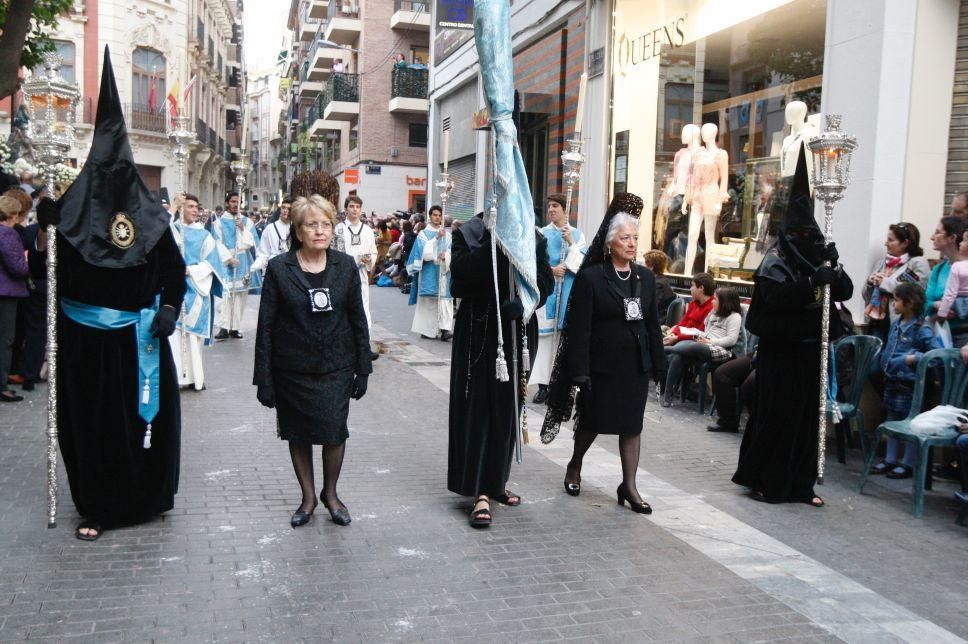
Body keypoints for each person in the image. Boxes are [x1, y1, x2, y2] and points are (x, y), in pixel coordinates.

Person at [32, 49, 186, 540]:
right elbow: (47, 277)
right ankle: (97, 507)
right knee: (93, 429)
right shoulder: (70, 217)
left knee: (146, 428)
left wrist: (167, 309)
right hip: (86, 348)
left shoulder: (154, 222)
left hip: (139, 340)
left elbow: (174, 274)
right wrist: (46, 234)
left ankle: (147, 498)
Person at [732, 149, 852, 507]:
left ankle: (801, 485)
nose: (805, 240)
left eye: (809, 234)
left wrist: (834, 265)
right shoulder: (774, 263)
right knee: (778, 417)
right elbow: (779, 301)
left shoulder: (818, 255)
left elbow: (842, 291)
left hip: (810, 352)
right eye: (798, 233)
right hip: (780, 355)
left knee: (805, 421)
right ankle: (766, 479)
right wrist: (812, 281)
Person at [540, 194, 665, 513]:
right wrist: (580, 371)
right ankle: (575, 465)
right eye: (625, 238)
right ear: (610, 243)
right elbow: (579, 328)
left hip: (634, 365)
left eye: (635, 238)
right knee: (592, 420)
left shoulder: (646, 278)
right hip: (601, 366)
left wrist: (658, 365)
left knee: (632, 425)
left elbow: (652, 325)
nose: (632, 243)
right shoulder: (592, 278)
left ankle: (629, 486)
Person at [254, 195, 372, 528]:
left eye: (324, 224)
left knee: (335, 433)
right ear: (298, 230)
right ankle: (307, 499)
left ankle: (330, 495)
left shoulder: (345, 266)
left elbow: (358, 319)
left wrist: (363, 368)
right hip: (291, 369)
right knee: (298, 434)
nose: (319, 231)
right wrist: (263, 378)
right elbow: (265, 325)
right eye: (311, 224)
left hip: (336, 366)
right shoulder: (280, 268)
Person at [448, 212, 554, 527]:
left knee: (508, 409)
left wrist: (525, 304)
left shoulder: (533, 237)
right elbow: (459, 282)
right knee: (478, 409)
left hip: (517, 331)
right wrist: (491, 243)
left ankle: (496, 481)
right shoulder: (467, 233)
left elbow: (544, 283)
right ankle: (478, 490)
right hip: (479, 332)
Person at [869, 282, 940, 479]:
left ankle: (907, 463)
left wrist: (912, 358)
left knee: (912, 423)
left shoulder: (921, 328)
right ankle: (890, 458)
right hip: (892, 380)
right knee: (892, 418)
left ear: (909, 303)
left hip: (910, 383)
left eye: (897, 300)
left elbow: (935, 354)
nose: (893, 304)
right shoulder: (896, 324)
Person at [529, 193, 587, 404]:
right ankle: (543, 386)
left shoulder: (578, 235)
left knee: (562, 343)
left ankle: (560, 387)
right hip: (548, 292)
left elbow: (583, 265)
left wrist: (571, 243)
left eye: (555, 206)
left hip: (567, 293)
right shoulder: (540, 233)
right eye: (549, 206)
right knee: (544, 343)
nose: (551, 210)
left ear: (565, 210)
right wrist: (551, 270)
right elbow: (532, 262)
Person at [169, 194, 230, 390]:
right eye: (190, 206)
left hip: (196, 288)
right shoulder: (173, 229)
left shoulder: (204, 235)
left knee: (192, 339)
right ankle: (176, 376)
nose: (195, 210)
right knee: (175, 336)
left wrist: (191, 270)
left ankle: (194, 378)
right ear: (181, 208)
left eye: (197, 207)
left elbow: (212, 264)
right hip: (174, 289)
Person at [660, 286, 742, 408]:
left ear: (725, 302)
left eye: (716, 299)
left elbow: (731, 339)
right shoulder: (714, 314)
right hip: (705, 345)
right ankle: (667, 396)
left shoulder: (734, 317)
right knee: (679, 356)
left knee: (695, 347)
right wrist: (693, 333)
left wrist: (710, 341)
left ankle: (665, 349)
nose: (713, 301)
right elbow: (706, 332)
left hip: (721, 350)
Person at [862, 223, 930, 342]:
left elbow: (913, 289)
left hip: (901, 324)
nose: (885, 243)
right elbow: (865, 296)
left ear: (905, 243)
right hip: (875, 322)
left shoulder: (917, 263)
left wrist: (883, 282)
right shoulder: (882, 262)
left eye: (890, 240)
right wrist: (870, 282)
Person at [212, 191, 260, 339]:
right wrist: (228, 258)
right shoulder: (219, 222)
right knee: (226, 296)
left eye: (237, 202)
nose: (235, 205)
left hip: (243, 262)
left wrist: (242, 229)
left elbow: (253, 242)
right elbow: (216, 242)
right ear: (227, 203)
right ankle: (223, 327)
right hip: (226, 262)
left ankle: (235, 327)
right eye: (232, 202)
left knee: (240, 297)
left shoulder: (246, 221)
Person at [334, 196, 378, 354]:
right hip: (342, 277)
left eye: (357, 207)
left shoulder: (367, 231)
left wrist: (368, 260)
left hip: (361, 276)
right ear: (346, 209)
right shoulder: (338, 229)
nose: (354, 209)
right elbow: (334, 253)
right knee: (343, 309)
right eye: (351, 206)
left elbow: (373, 252)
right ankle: (343, 345)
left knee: (363, 308)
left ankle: (364, 345)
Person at [406, 204, 453, 340]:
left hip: (444, 270)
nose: (437, 218)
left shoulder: (448, 235)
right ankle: (427, 330)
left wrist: (447, 255)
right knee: (429, 302)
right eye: (435, 215)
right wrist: (437, 238)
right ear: (430, 216)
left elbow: (452, 249)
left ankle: (445, 330)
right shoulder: (423, 234)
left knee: (444, 301)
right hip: (429, 270)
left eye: (439, 215)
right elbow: (423, 254)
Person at [0, 195, 29, 402]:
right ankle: (1, 385)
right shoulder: (7, 234)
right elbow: (18, 267)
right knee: (5, 339)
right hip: (5, 292)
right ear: (12, 215)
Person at [662, 272, 716, 348]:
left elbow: (700, 333)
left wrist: (677, 337)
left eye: (692, 285)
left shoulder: (712, 308)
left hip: (691, 343)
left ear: (701, 288)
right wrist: (673, 334)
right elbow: (683, 321)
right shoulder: (694, 303)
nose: (690, 288)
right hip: (680, 337)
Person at [707, 352, 756, 433]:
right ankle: (728, 423)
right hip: (759, 354)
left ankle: (758, 426)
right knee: (721, 374)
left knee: (750, 384)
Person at [253, 196, 292, 272]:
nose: (285, 210)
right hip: (274, 267)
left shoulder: (296, 228)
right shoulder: (270, 228)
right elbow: (263, 252)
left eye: (289, 209)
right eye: (283, 207)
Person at [642, 249, 676, 326]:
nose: (642, 266)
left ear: (651, 267)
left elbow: (648, 307)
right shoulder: (661, 280)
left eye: (644, 264)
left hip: (654, 322)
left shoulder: (658, 284)